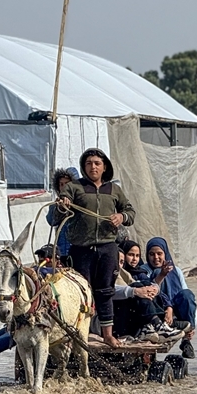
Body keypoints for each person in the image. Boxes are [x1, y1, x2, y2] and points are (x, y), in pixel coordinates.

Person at [53, 149, 135, 348]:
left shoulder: (114, 190)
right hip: (81, 250)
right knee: (81, 292)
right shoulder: (75, 187)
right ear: (84, 167)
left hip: (108, 248)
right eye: (89, 163)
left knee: (105, 291)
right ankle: (80, 334)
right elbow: (60, 208)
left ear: (104, 166)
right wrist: (63, 204)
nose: (93, 167)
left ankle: (107, 335)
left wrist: (121, 217)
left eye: (97, 163)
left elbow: (130, 212)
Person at [143, 236, 197, 359]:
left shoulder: (176, 271)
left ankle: (186, 340)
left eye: (159, 254)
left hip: (176, 313)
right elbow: (152, 292)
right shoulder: (144, 271)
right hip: (158, 310)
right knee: (157, 272)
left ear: (165, 254)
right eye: (152, 254)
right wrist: (168, 307)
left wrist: (193, 326)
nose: (156, 257)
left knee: (187, 294)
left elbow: (188, 297)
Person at [45, 166, 79, 260]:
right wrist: (60, 208)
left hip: (79, 251)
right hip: (62, 251)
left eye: (67, 184)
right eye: (61, 184)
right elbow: (51, 221)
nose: (64, 187)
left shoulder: (82, 202)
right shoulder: (56, 204)